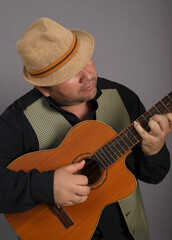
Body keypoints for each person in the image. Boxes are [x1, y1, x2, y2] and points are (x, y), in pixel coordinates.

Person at [0, 17, 171, 240]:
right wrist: (46, 186)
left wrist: (153, 150)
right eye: (70, 73)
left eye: (85, 60)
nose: (88, 75)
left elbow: (154, 176)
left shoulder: (123, 98)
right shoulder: (17, 122)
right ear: (44, 89)